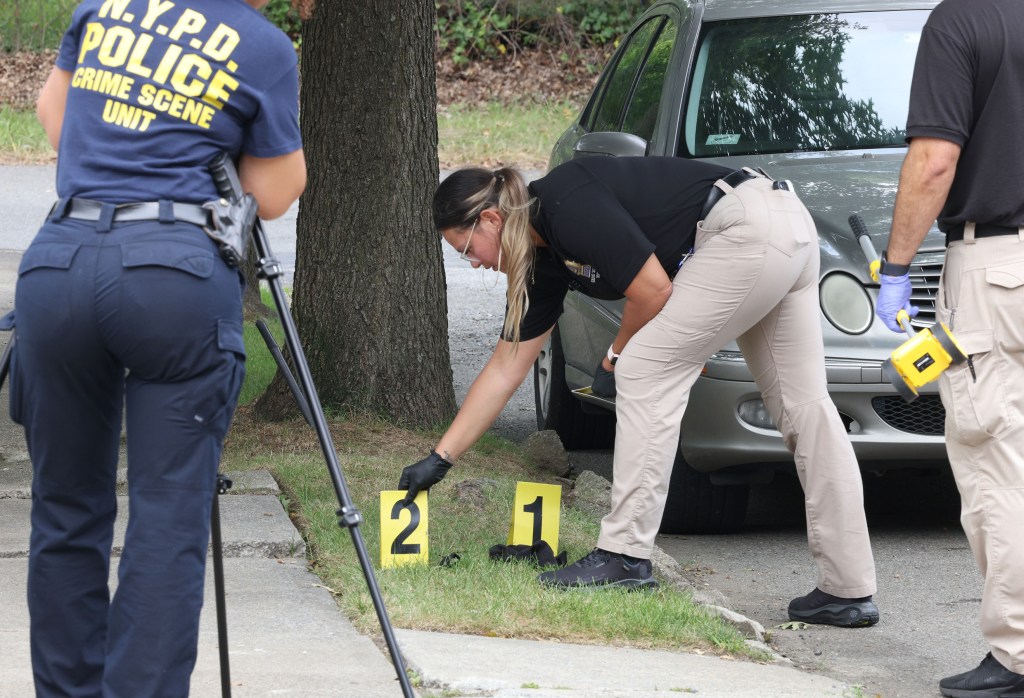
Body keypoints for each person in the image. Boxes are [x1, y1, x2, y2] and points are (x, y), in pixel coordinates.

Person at [398, 155, 879, 628]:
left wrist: (616, 354)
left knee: (645, 369)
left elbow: (652, 291)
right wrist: (441, 458)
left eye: (466, 250)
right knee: (805, 408)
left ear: (490, 218)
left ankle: (624, 557)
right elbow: (506, 367)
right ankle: (847, 589)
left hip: (745, 228)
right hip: (782, 226)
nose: (475, 265)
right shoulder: (540, 262)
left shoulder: (565, 202)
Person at [10, 0, 306, 694]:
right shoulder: (261, 45)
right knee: (168, 513)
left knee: (63, 505)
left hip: (59, 262)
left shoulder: (99, 10)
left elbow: (55, 119)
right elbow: (274, 190)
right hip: (171, 274)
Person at [875, 0, 1024, 694]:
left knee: (997, 463)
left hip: (997, 268)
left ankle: (1018, 653)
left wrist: (898, 268)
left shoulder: (962, 20)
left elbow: (935, 161)